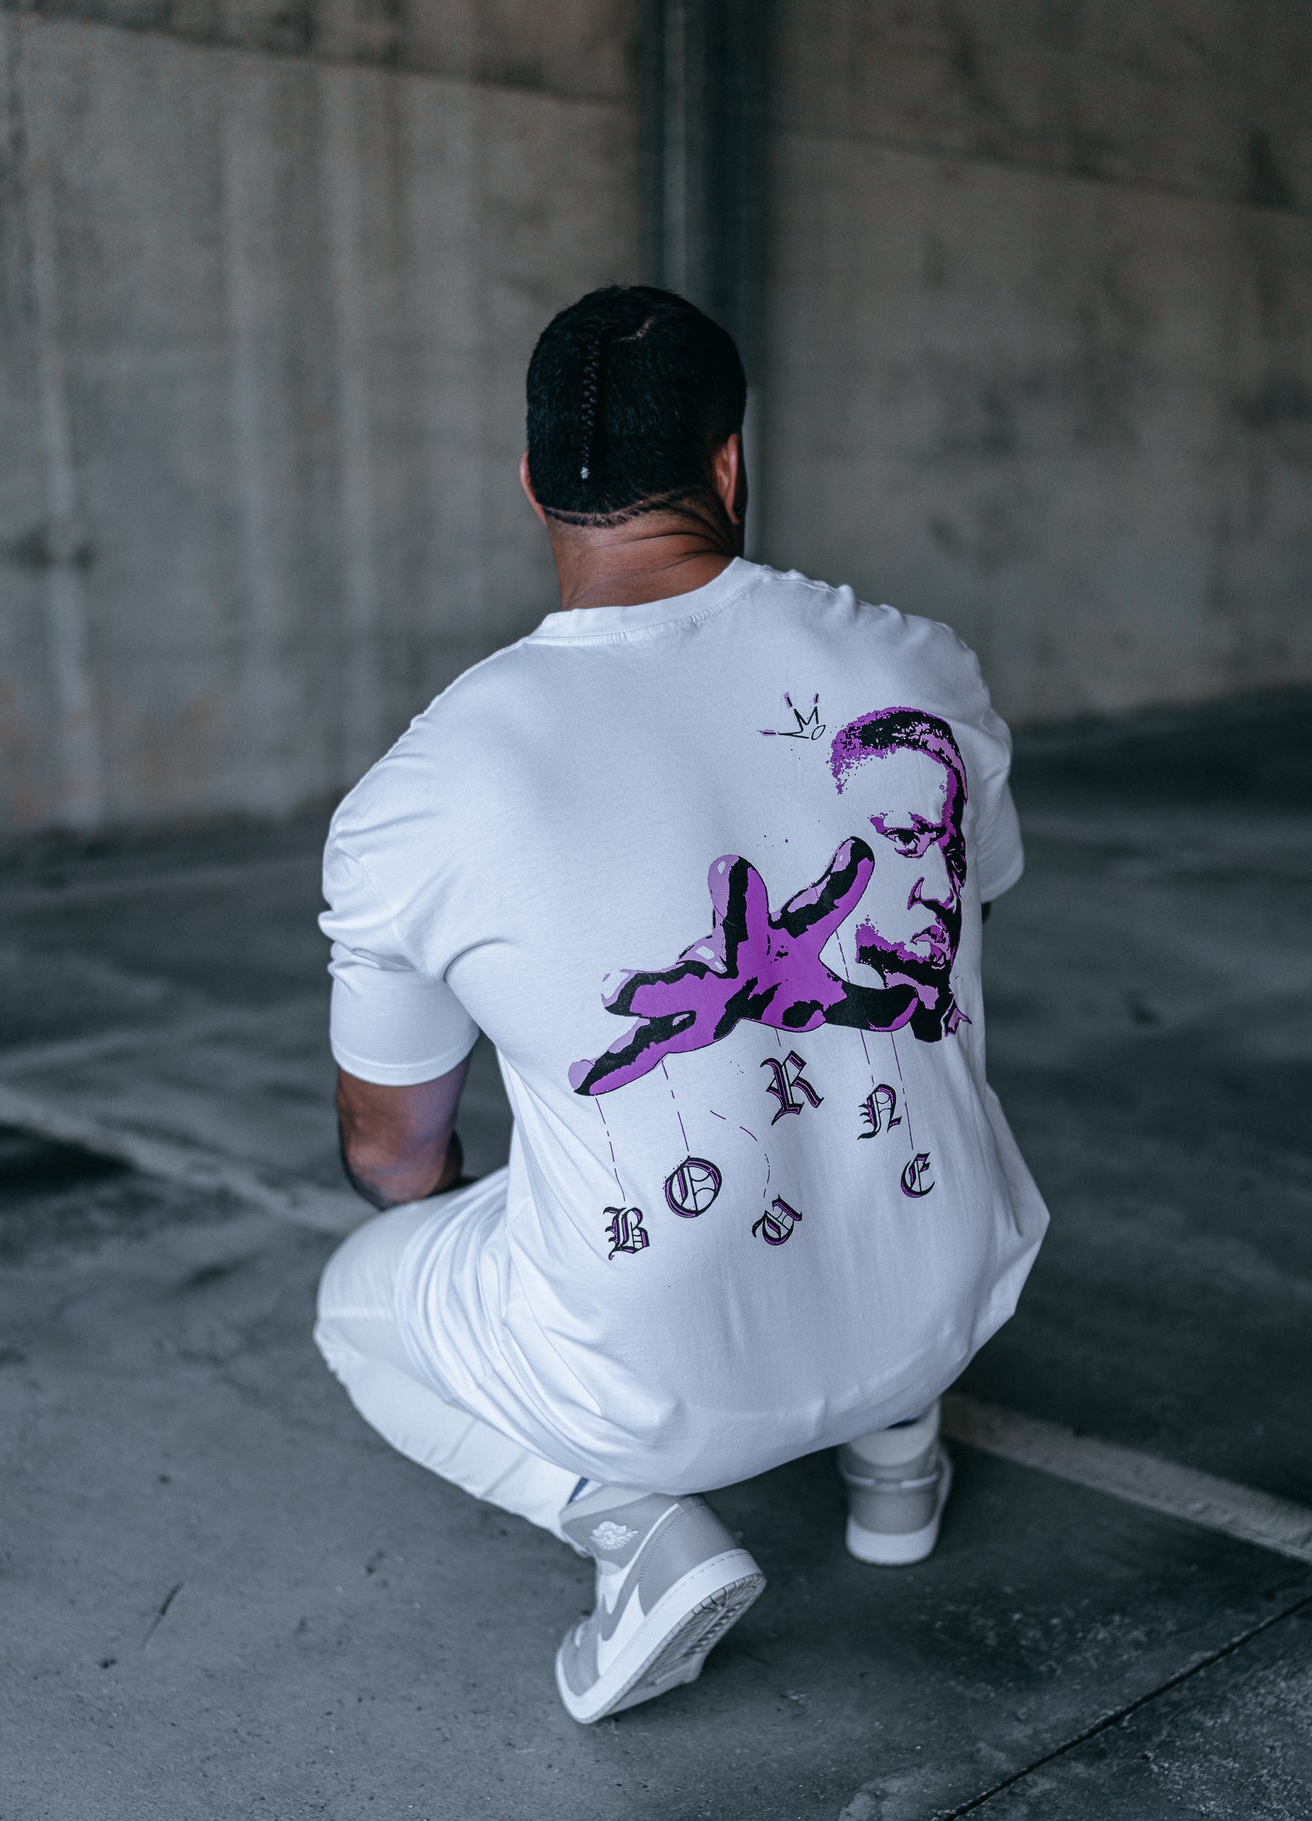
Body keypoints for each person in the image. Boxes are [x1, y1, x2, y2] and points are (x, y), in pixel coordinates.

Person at [314, 285, 1047, 1725]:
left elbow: (391, 1154)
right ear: (726, 461)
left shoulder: (425, 789)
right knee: (853, 1105)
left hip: (665, 1380)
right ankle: (896, 1471)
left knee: (361, 1302)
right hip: (956, 1280)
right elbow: (970, 903)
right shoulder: (917, 666)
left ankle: (634, 1529)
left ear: (532, 485)